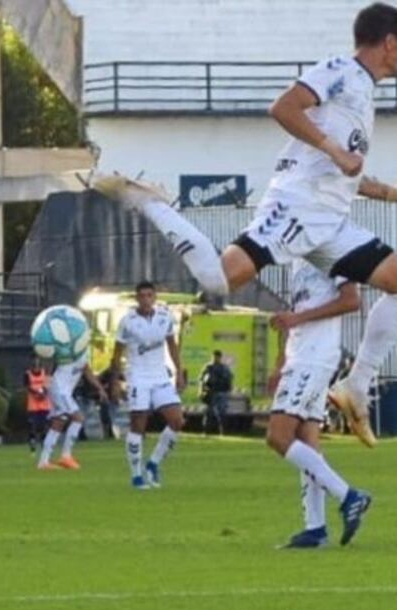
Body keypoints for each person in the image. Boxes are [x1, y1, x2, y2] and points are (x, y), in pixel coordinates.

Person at [93, 3, 397, 446]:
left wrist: (389, 192)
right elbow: (284, 107)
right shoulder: (340, 70)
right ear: (389, 42)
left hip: (328, 221)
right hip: (297, 209)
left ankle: (354, 385)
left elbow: (343, 174)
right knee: (219, 279)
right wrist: (335, 150)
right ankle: (151, 203)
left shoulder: (363, 92)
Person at [267, 261, 371, 547]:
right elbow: (296, 316)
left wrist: (298, 320)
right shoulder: (297, 260)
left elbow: (352, 300)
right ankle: (315, 529)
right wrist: (280, 364)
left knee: (278, 436)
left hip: (314, 358)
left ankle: (350, 496)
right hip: (301, 357)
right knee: (307, 442)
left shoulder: (330, 252)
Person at [109, 281, 187, 489]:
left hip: (160, 376)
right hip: (138, 377)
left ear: (154, 297)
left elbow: (172, 346)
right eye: (142, 296)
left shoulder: (164, 317)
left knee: (177, 421)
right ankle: (136, 476)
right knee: (138, 426)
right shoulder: (127, 321)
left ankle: (153, 463)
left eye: (149, 295)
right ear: (137, 298)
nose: (145, 299)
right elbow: (116, 354)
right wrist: (115, 382)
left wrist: (179, 373)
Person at [36, 349, 107, 471]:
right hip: (59, 389)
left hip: (64, 392)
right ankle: (65, 456)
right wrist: (45, 385)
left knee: (59, 422)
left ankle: (44, 461)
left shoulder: (84, 352)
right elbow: (49, 362)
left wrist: (100, 388)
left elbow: (87, 371)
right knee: (78, 418)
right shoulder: (67, 347)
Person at [200, 350, 234, 432]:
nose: (216, 358)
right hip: (212, 392)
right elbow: (202, 379)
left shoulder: (224, 368)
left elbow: (230, 379)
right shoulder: (208, 367)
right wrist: (203, 391)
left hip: (221, 392)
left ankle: (222, 431)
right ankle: (207, 431)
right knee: (209, 413)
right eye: (215, 356)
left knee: (222, 413)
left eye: (217, 357)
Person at [24, 356, 51, 452]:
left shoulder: (45, 373)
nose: (36, 364)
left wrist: (43, 394)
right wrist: (36, 394)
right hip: (32, 405)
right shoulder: (27, 374)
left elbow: (47, 385)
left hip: (44, 404)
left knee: (44, 426)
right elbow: (27, 386)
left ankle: (44, 445)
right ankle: (32, 444)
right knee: (32, 427)